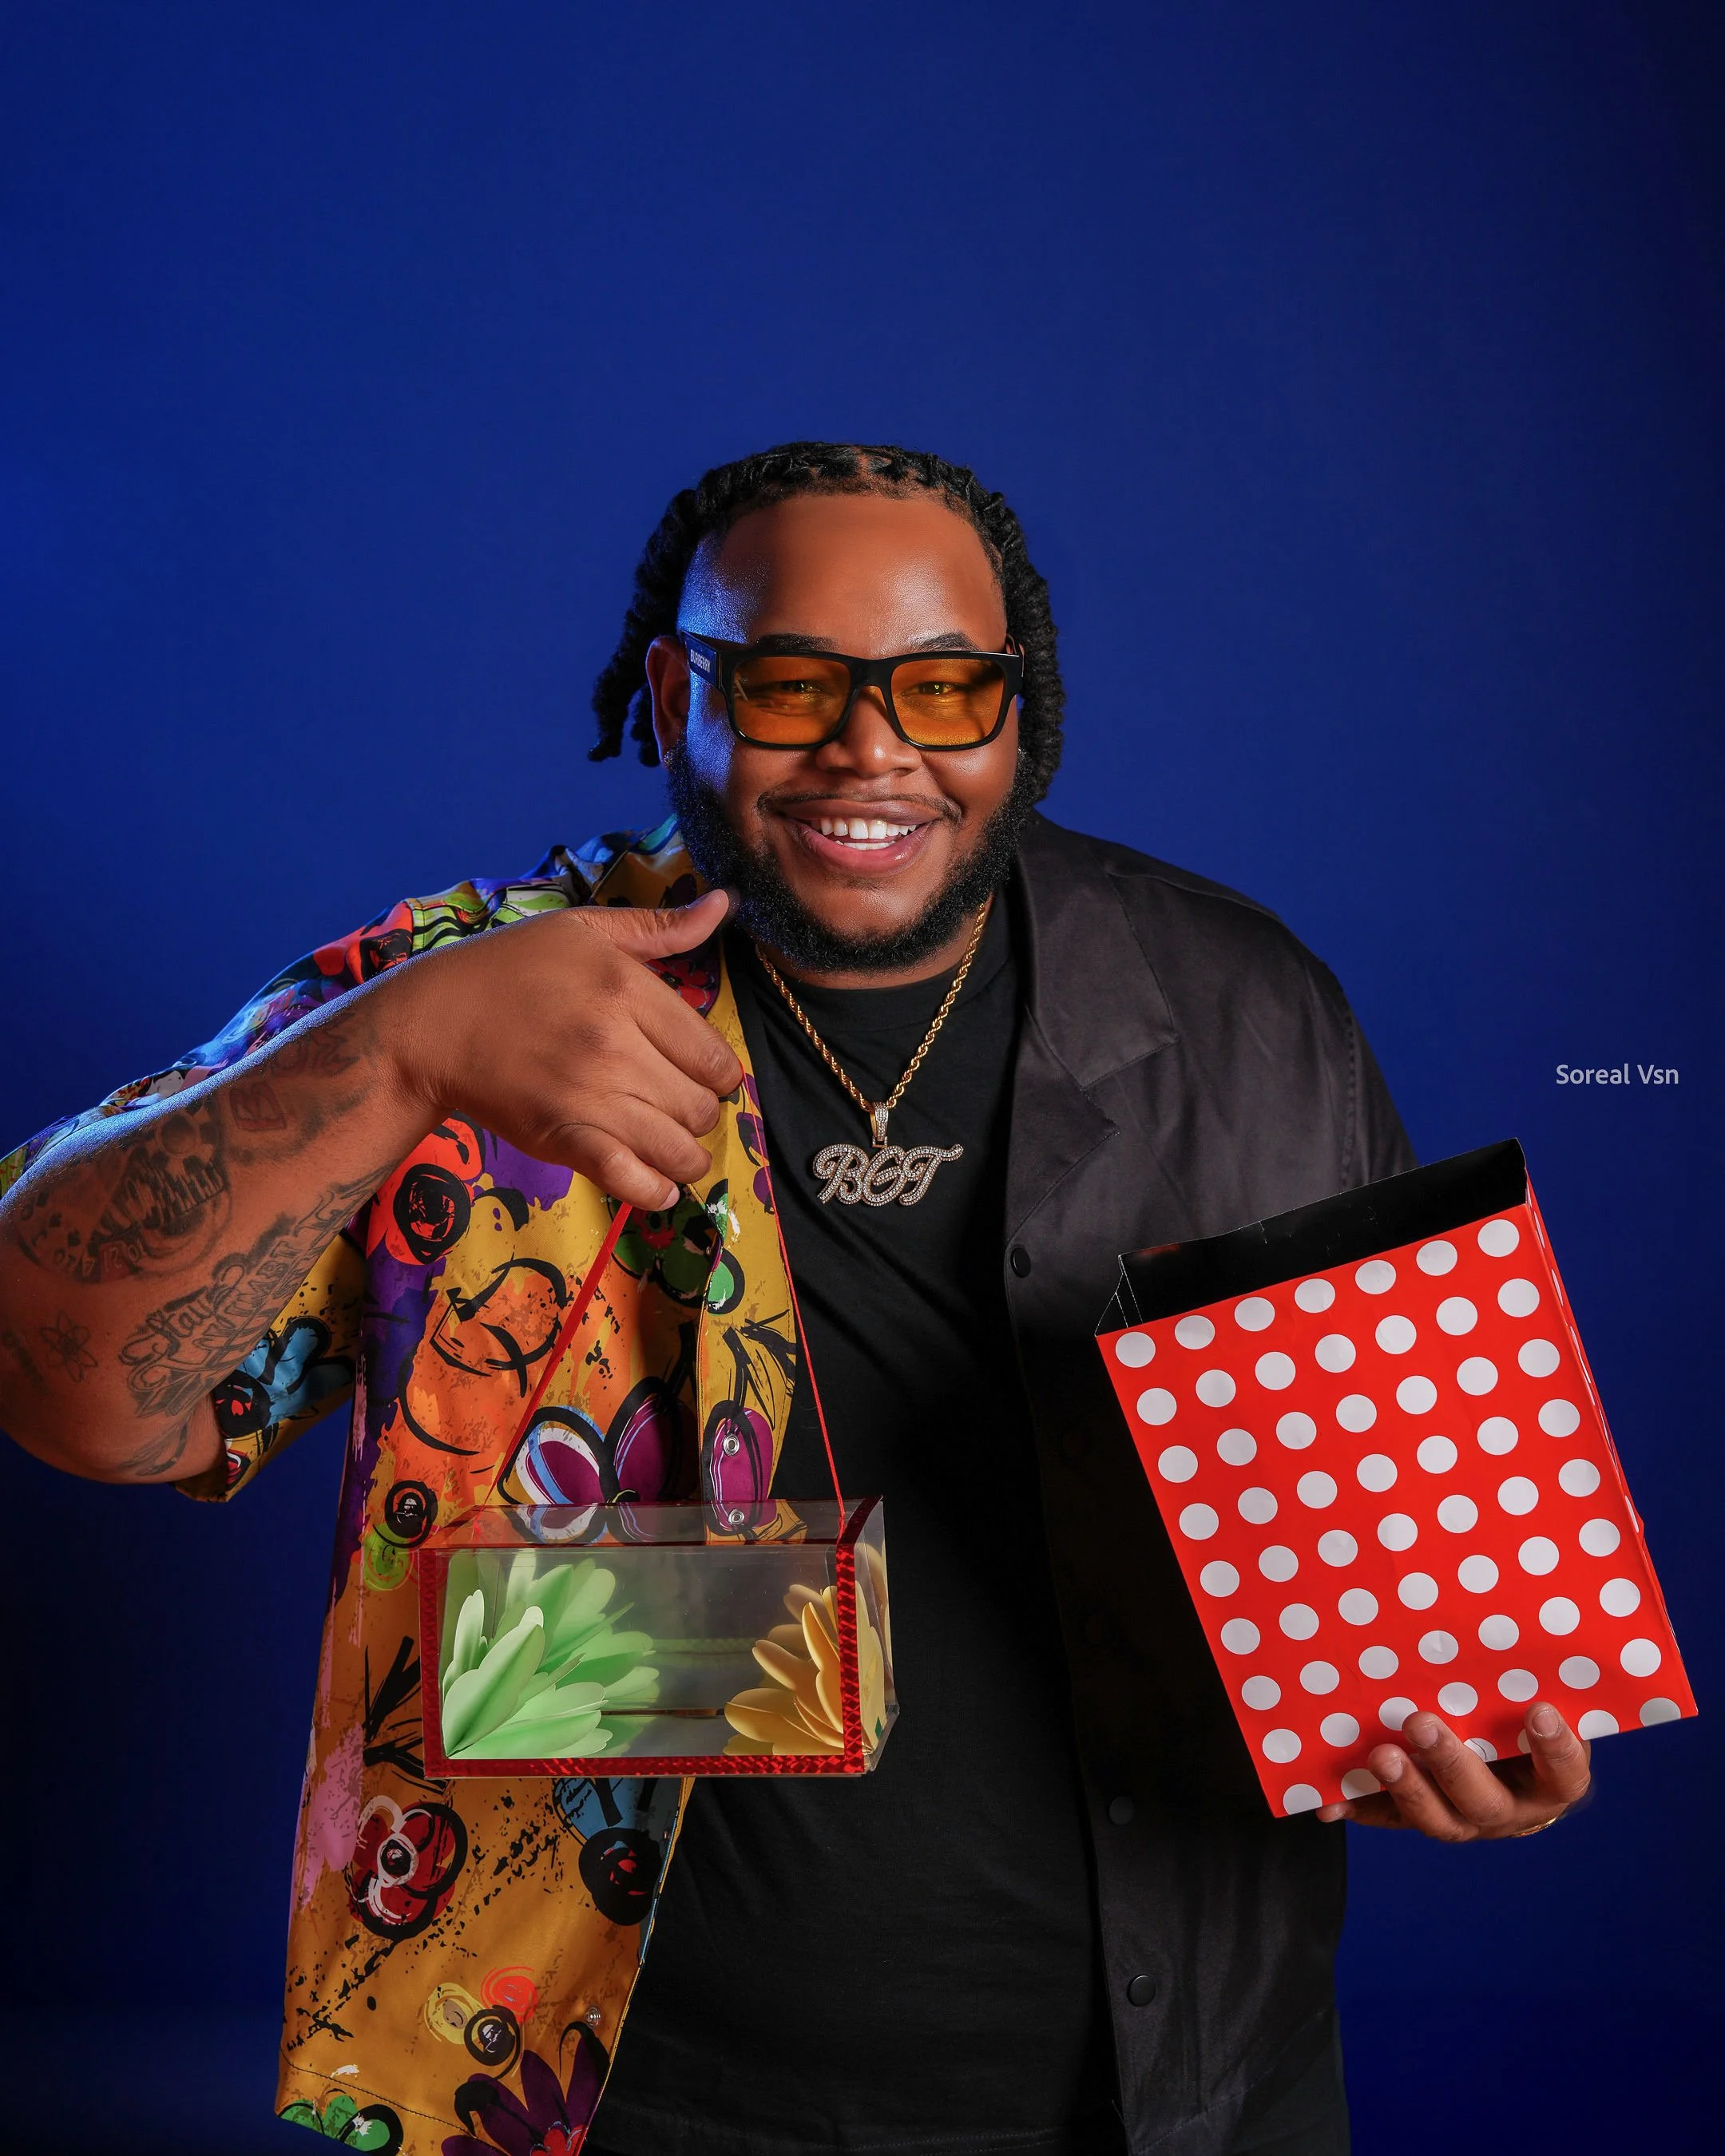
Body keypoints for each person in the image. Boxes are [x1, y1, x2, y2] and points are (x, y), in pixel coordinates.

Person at [0, 442, 1591, 2156]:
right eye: (790, 682)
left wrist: (1466, 1722)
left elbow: (1411, 1546)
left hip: (1184, 2090)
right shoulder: (467, 996)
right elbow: (74, 1389)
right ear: (677, 690)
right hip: (617, 2099)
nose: (872, 747)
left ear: (1018, 709)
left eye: (942, 686)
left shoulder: (1247, 1009)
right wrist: (401, 1048)